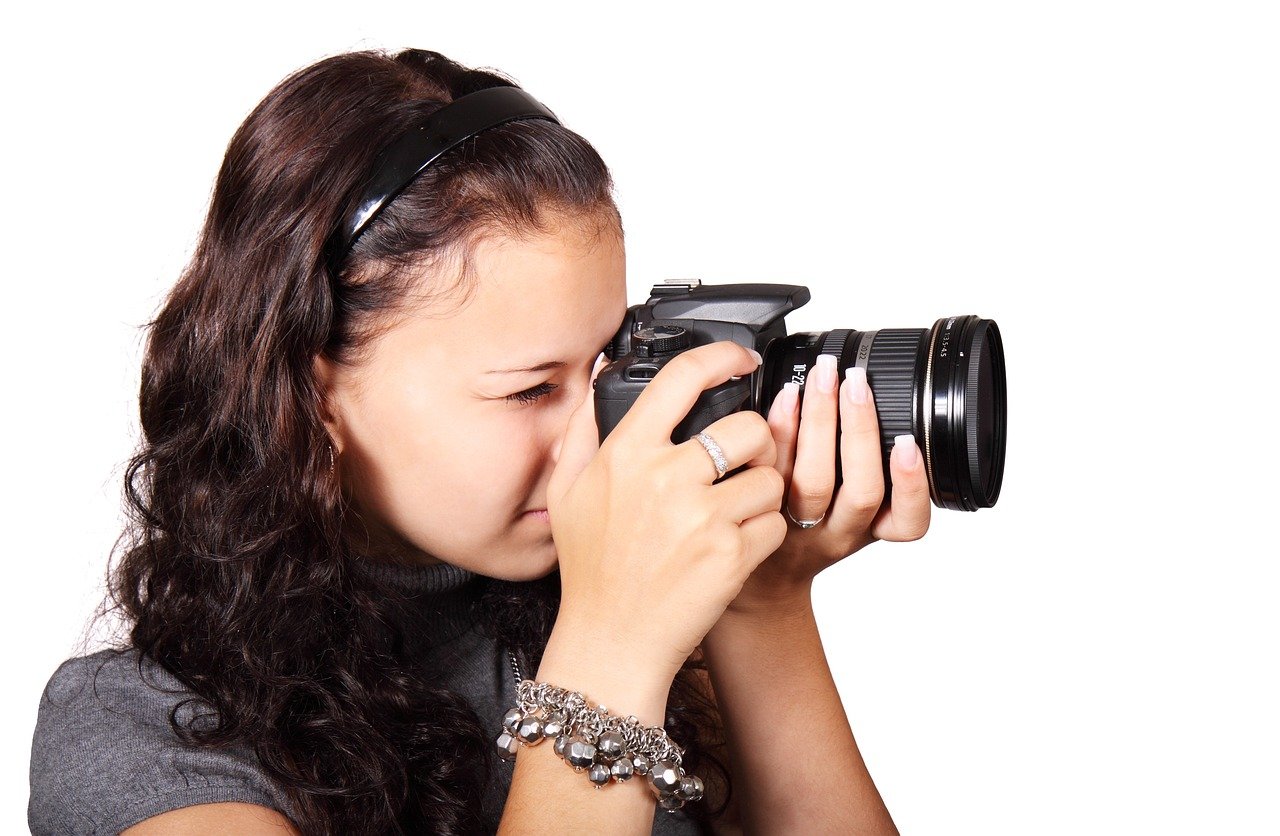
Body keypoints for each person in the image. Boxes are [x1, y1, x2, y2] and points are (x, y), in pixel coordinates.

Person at [28, 47, 929, 835]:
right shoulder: (138, 732)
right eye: (531, 389)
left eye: (612, 366)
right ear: (314, 399)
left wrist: (758, 607)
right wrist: (610, 647)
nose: (598, 442)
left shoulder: (631, 626)